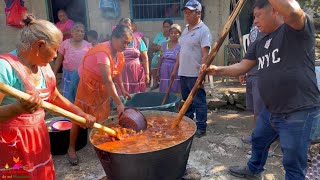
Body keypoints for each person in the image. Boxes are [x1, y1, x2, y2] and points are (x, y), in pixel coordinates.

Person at [202, 0, 320, 179]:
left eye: (258, 15)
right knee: (258, 139)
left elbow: (292, 11)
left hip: (298, 110)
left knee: (293, 161)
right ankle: (254, 169)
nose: (255, 21)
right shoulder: (259, 41)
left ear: (274, 10)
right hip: (271, 109)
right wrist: (217, 71)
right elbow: (243, 66)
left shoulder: (296, 29)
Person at [0, 14, 95, 179]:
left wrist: (80, 113)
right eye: (55, 49)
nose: (55, 56)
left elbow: (55, 97)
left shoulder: (43, 67)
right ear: (40, 45)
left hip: (38, 138)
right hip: (13, 144)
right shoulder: (5, 67)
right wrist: (17, 109)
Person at [67, 25, 132, 165]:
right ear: (114, 37)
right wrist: (119, 103)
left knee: (102, 118)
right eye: (124, 42)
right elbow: (109, 81)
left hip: (101, 87)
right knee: (79, 118)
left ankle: (100, 147)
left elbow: (117, 73)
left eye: (128, 43)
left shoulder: (119, 53)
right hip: (87, 84)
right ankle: (71, 149)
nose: (126, 46)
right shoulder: (103, 51)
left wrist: (123, 89)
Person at [174, 0, 212, 138]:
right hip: (183, 72)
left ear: (199, 13)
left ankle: (201, 127)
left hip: (195, 73)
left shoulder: (203, 30)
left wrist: (202, 74)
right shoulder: (185, 30)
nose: (187, 15)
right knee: (186, 101)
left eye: (190, 12)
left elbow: (205, 54)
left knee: (199, 101)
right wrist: (175, 69)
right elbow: (181, 51)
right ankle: (189, 124)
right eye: (185, 12)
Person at [53, 23, 92, 103]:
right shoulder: (65, 44)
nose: (80, 33)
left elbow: (91, 62)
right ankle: (69, 114)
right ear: (72, 32)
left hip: (82, 76)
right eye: (77, 31)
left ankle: (81, 113)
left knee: (81, 96)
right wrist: (54, 75)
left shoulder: (88, 45)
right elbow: (59, 60)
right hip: (68, 75)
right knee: (68, 96)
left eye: (82, 31)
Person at [239, 25, 265, 144]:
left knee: (262, 111)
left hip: (262, 74)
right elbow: (250, 49)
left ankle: (265, 144)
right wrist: (243, 69)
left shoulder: (272, 28)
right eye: (255, 15)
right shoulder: (254, 27)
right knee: (256, 110)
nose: (256, 18)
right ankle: (256, 136)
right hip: (252, 72)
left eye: (258, 15)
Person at [117, 18, 150, 94]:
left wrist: (147, 74)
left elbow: (145, 58)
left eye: (128, 26)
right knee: (122, 94)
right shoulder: (117, 41)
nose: (125, 29)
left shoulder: (138, 40)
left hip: (136, 73)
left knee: (136, 95)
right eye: (123, 27)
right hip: (121, 74)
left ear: (131, 27)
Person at [158, 24, 181, 94]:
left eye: (176, 33)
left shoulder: (181, 45)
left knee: (175, 86)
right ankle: (165, 103)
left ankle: (175, 103)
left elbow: (178, 60)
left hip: (176, 68)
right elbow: (161, 58)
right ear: (169, 34)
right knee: (164, 87)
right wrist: (158, 70)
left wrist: (174, 71)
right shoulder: (164, 45)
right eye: (171, 33)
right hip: (164, 69)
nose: (173, 35)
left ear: (179, 34)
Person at [150, 19, 173, 90]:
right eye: (164, 27)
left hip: (170, 54)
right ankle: (155, 82)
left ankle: (170, 82)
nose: (166, 29)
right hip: (159, 54)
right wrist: (158, 47)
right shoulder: (159, 35)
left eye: (168, 27)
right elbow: (152, 47)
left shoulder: (173, 35)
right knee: (154, 61)